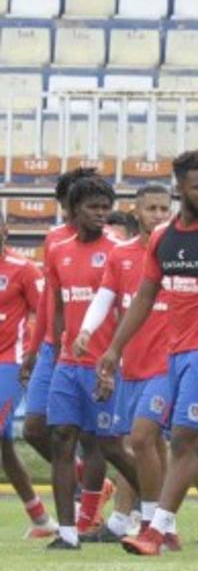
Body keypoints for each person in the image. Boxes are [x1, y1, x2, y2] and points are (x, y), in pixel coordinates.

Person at [100, 150, 198, 557]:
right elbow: (144, 297)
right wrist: (115, 348)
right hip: (175, 354)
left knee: (183, 438)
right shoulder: (163, 238)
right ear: (180, 189)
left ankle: (157, 530)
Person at [38, 177, 141, 549]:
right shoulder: (58, 248)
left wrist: (116, 360)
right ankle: (67, 534)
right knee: (61, 437)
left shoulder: (118, 251)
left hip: (107, 364)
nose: (100, 214)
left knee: (111, 445)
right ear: (73, 211)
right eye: (93, 207)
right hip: (68, 361)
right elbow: (60, 304)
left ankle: (158, 511)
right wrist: (62, 344)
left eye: (105, 207)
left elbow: (129, 309)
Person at [74, 184, 174, 544]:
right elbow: (105, 298)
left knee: (142, 438)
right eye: (152, 209)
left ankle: (154, 524)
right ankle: (184, 521)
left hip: (168, 363)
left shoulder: (180, 253)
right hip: (132, 365)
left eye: (165, 209)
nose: (159, 216)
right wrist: (87, 331)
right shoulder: (122, 256)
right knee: (153, 446)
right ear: (136, 211)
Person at [21, 167, 99, 500]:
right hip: (55, 347)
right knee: (35, 427)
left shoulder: (107, 242)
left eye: (71, 204)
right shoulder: (55, 240)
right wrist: (35, 349)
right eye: (64, 205)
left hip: (91, 349)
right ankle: (81, 480)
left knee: (94, 436)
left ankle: (91, 509)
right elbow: (47, 301)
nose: (67, 212)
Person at [0, 211, 55, 538]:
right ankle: (40, 518)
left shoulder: (23, 269)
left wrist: (40, 358)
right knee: (4, 445)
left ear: (5, 230)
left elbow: (46, 313)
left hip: (10, 363)